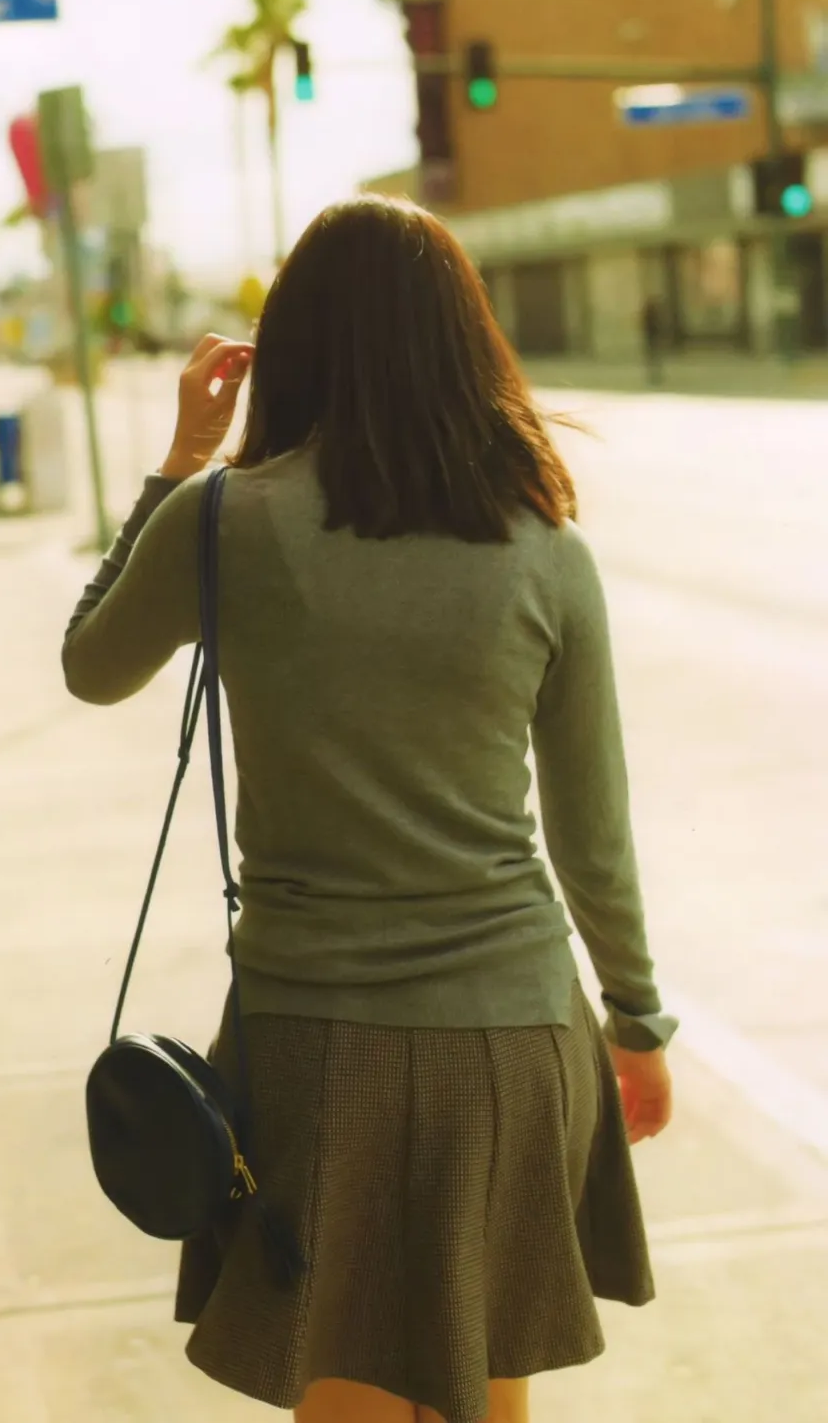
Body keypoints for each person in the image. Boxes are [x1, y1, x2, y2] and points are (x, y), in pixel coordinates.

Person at [61, 197, 676, 1423]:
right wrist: (638, 1021)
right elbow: (592, 831)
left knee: (342, 1388)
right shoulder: (547, 544)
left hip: (314, 1038)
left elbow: (92, 661)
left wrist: (182, 458)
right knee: (484, 1373)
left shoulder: (227, 519)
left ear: (293, 346)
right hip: (515, 1034)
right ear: (466, 341)